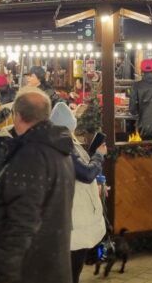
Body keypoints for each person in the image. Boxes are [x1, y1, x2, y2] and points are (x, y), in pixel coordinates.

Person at [0, 89, 75, 283]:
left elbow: (20, 225)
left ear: (18, 116)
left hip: (29, 270)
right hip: (50, 265)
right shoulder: (62, 151)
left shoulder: (31, 156)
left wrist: (6, 275)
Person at [50, 102, 107, 283]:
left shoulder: (59, 142)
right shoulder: (65, 144)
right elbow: (86, 173)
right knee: (72, 272)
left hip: (69, 217)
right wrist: (98, 155)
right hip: (75, 218)